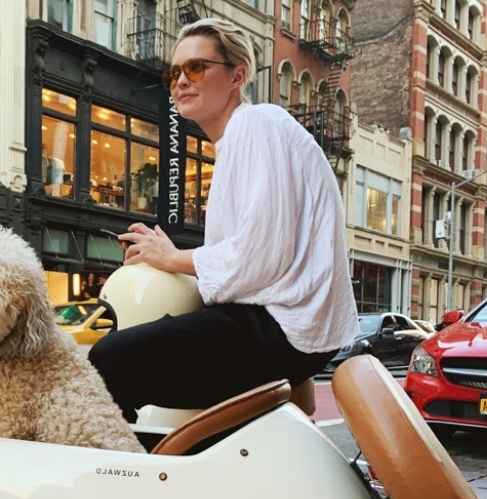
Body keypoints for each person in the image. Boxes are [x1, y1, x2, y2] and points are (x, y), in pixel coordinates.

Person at [89, 17, 359, 422]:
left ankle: (120, 475)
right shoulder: (240, 142)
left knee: (107, 359)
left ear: (238, 75)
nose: (181, 80)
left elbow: (260, 254)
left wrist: (172, 258)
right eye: (174, 72)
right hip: (290, 329)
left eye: (197, 67)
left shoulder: (256, 123)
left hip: (281, 326)